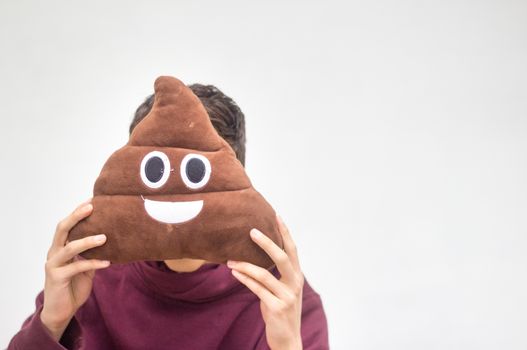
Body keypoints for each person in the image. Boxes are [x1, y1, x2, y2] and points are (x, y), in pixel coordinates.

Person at [8, 83, 329, 349]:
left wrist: (287, 343)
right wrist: (51, 322)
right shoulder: (89, 280)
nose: (177, 199)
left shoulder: (283, 299)